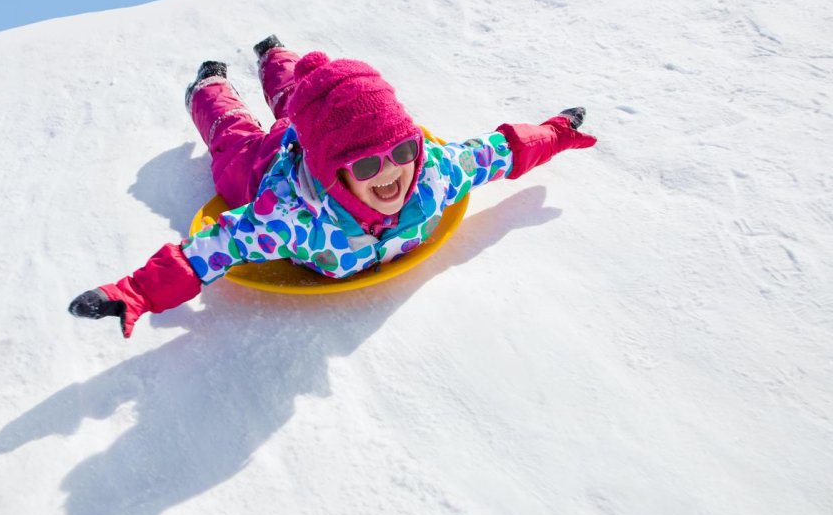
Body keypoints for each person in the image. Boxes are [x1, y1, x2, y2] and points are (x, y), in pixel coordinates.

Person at [68, 35, 598, 337]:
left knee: (303, 96)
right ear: (333, 172)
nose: (391, 174)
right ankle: (207, 86)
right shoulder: (291, 217)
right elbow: (213, 248)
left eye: (403, 152)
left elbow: (498, 151)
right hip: (263, 166)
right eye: (367, 167)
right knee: (234, 138)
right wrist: (136, 290)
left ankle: (274, 55)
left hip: (315, 137)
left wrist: (556, 131)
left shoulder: (432, 172)